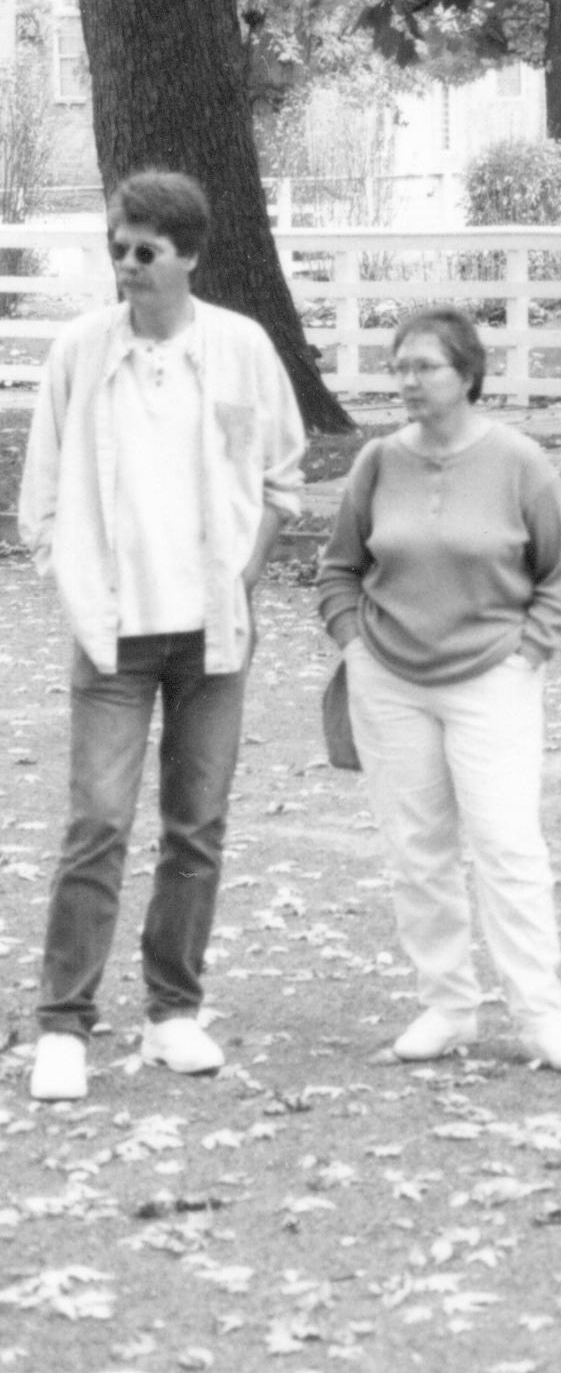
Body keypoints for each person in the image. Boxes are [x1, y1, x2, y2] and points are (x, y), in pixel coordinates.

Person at [18, 171, 307, 1104]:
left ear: (188, 254)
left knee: (197, 825)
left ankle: (173, 1011)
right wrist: (70, 575)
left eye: (145, 250)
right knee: (97, 821)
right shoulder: (79, 350)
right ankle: (64, 1021)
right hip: (113, 632)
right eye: (117, 247)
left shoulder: (240, 348)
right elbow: (45, 487)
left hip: (211, 632)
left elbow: (280, 476)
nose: (128, 265)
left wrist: (246, 571)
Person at [315, 306, 561, 1071]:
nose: (407, 380)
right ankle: (447, 1005)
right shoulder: (378, 460)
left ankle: (541, 1016)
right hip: (391, 678)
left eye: (425, 366)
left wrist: (527, 652)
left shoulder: (518, 461)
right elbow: (338, 565)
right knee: (418, 848)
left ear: (468, 374)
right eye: (399, 365)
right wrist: (353, 642)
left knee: (507, 844)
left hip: (491, 676)